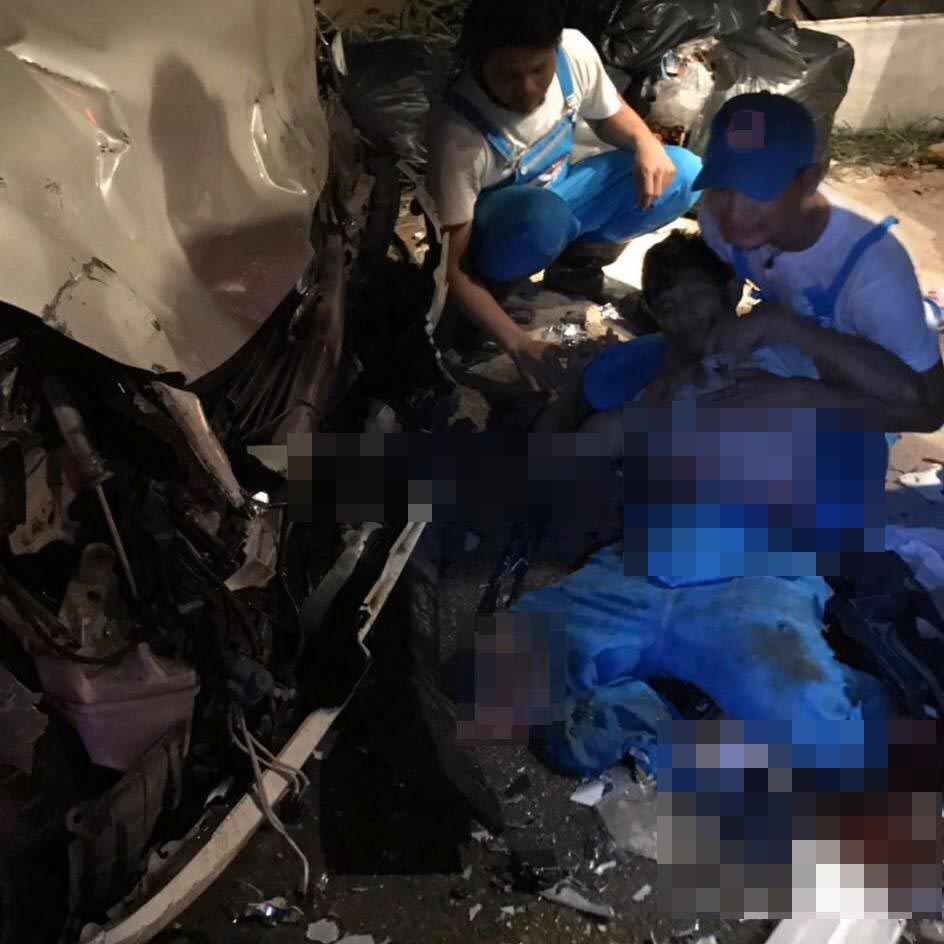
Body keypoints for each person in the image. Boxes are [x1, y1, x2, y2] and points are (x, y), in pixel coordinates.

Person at [426, 0, 702, 393]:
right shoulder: (457, 136)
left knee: (684, 173)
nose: (527, 89)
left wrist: (645, 141)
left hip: (562, 191)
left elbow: (610, 114)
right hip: (504, 230)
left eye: (539, 69)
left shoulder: (572, 51)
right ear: (476, 60)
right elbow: (452, 268)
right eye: (508, 75)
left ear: (555, 48)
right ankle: (490, 304)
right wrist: (519, 345)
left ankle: (575, 267)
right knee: (542, 219)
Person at [693, 91, 944, 431]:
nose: (735, 212)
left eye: (761, 189)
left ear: (811, 179)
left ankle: (930, 311)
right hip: (805, 336)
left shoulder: (875, 273)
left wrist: (807, 398)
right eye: (723, 185)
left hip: (864, 367)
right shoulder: (717, 218)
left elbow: (929, 413)